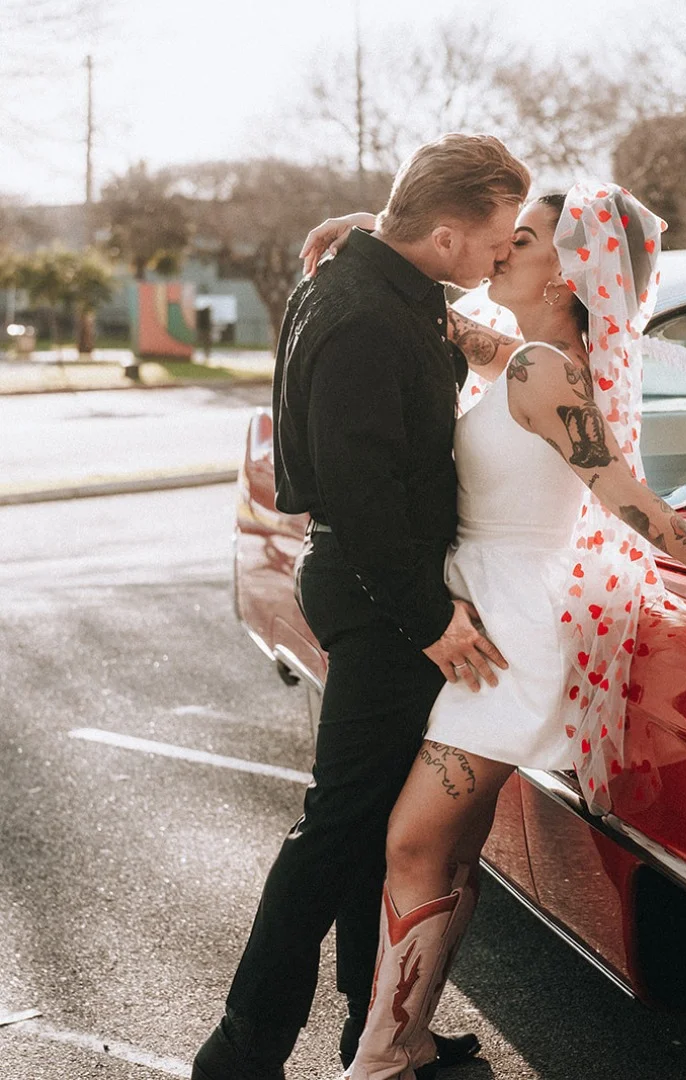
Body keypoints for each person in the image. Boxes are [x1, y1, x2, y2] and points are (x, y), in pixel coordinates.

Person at [302, 181, 686, 1080]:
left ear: (565, 273)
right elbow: (442, 312)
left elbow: (623, 496)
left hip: (508, 639)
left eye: (524, 239)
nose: (500, 248)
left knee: (413, 844)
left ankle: (379, 1062)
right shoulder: (532, 356)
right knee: (450, 849)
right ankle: (405, 1040)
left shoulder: (546, 372)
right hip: (491, 612)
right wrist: (372, 236)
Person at [191, 133, 532, 1080]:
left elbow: (451, 305)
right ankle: (243, 1048)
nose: (505, 252)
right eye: (498, 235)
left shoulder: (375, 284)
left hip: (384, 587)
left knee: (372, 819)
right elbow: (358, 487)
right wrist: (431, 620)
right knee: (340, 824)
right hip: (382, 595)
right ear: (449, 235)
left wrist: (362, 226)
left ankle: (368, 1031)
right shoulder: (363, 314)